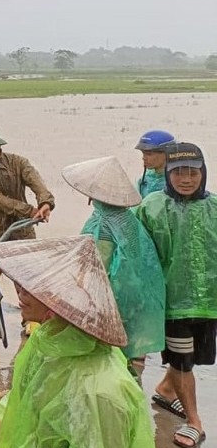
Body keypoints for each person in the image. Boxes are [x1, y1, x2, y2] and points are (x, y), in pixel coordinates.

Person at [0, 235, 155, 448]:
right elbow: (26, 397)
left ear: (60, 299)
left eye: (32, 286)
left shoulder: (100, 392)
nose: (19, 291)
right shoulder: (48, 342)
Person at [137, 142, 217, 448]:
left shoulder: (214, 207)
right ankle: (194, 421)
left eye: (193, 172)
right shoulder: (151, 207)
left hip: (208, 303)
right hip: (171, 304)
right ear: (168, 173)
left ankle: (166, 390)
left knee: (193, 358)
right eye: (179, 172)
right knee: (183, 361)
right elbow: (138, 253)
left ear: (203, 173)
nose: (186, 179)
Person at [61, 156, 165, 365]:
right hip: (123, 295)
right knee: (119, 356)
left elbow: (105, 262)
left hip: (107, 296)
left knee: (105, 356)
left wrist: (104, 299)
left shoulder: (104, 221)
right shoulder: (125, 219)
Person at [0, 128, 55, 253]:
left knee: (28, 261)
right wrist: (29, 210)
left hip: (21, 223)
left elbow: (37, 183)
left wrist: (45, 203)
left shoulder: (18, 162)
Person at [135, 129, 175, 198]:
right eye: (143, 153)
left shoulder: (176, 180)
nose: (144, 158)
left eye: (149, 154)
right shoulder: (144, 179)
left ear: (167, 153)